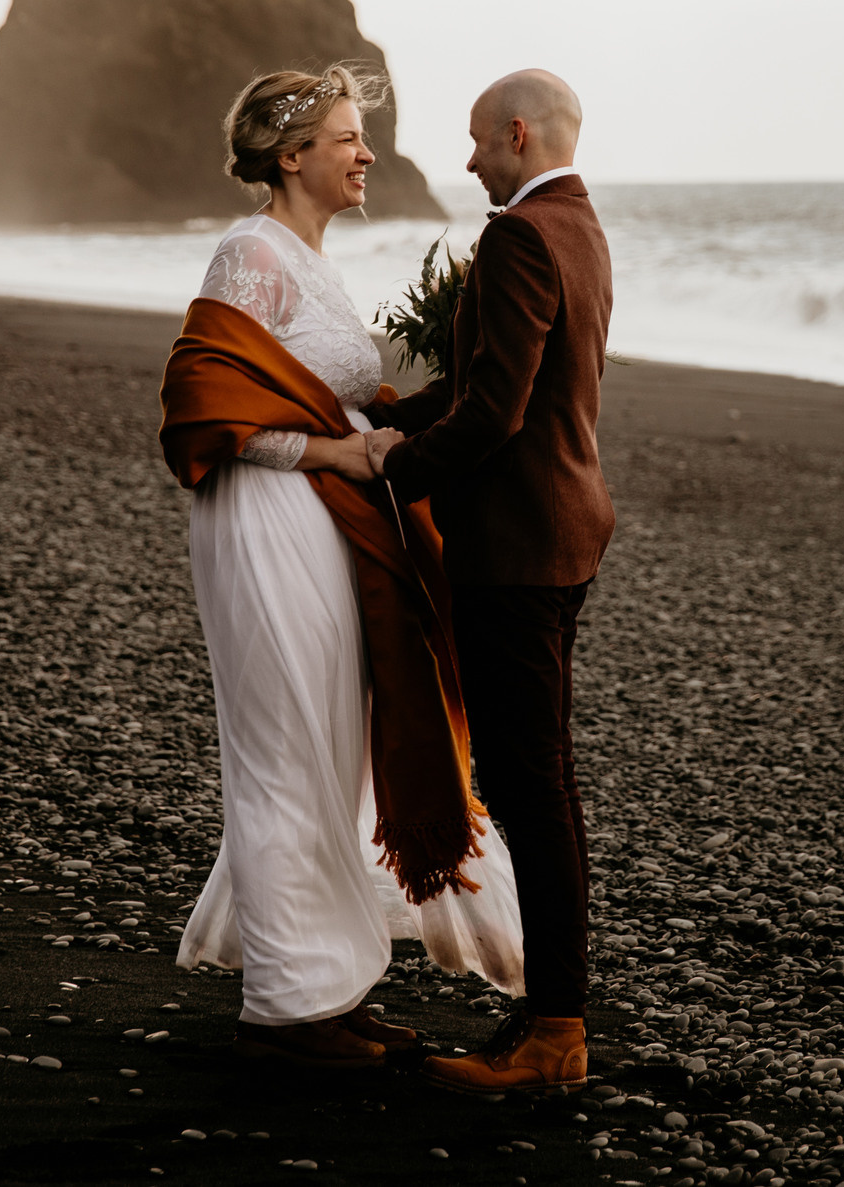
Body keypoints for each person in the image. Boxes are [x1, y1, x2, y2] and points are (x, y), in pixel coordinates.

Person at [156, 64, 523, 1071]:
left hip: (322, 519)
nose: (367, 154)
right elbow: (203, 403)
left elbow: (327, 394)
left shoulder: (310, 262)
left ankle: (329, 986)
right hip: (269, 517)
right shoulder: (251, 251)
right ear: (291, 156)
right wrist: (334, 452)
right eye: (349, 137)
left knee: (332, 743)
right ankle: (285, 1011)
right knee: (285, 746)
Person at [362, 68, 613, 1095]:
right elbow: (487, 393)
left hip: (516, 549)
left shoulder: (518, 235)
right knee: (533, 779)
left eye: (475, 141)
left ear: (516, 132)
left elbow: (495, 414)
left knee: (530, 787)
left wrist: (384, 471)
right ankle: (550, 1016)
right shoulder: (581, 225)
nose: (466, 160)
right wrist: (388, 422)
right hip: (562, 530)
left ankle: (556, 1032)